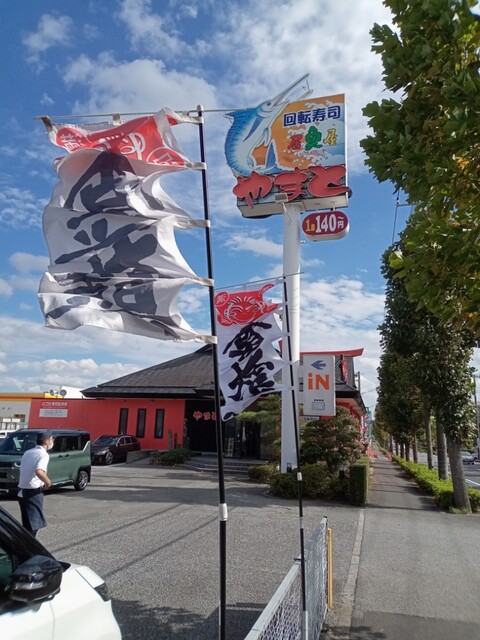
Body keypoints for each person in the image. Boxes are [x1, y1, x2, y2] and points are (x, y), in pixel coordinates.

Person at [18, 430, 53, 537]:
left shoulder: (28, 452)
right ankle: (27, 546)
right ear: (46, 441)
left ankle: (24, 544)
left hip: (22, 491)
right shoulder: (43, 454)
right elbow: (39, 471)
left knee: (27, 525)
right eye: (51, 439)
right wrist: (48, 482)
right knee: (33, 526)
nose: (52, 441)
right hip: (33, 493)